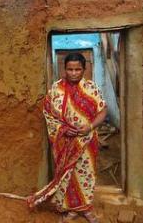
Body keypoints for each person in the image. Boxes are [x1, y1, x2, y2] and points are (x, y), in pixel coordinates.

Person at [27, 52, 107, 223]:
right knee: (67, 175)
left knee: (86, 174)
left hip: (87, 141)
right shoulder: (56, 89)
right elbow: (48, 113)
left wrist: (90, 126)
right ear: (64, 69)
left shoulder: (92, 88)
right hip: (65, 142)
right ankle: (71, 210)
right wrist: (63, 129)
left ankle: (86, 209)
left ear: (84, 69)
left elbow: (103, 111)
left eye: (78, 69)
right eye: (70, 69)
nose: (73, 73)